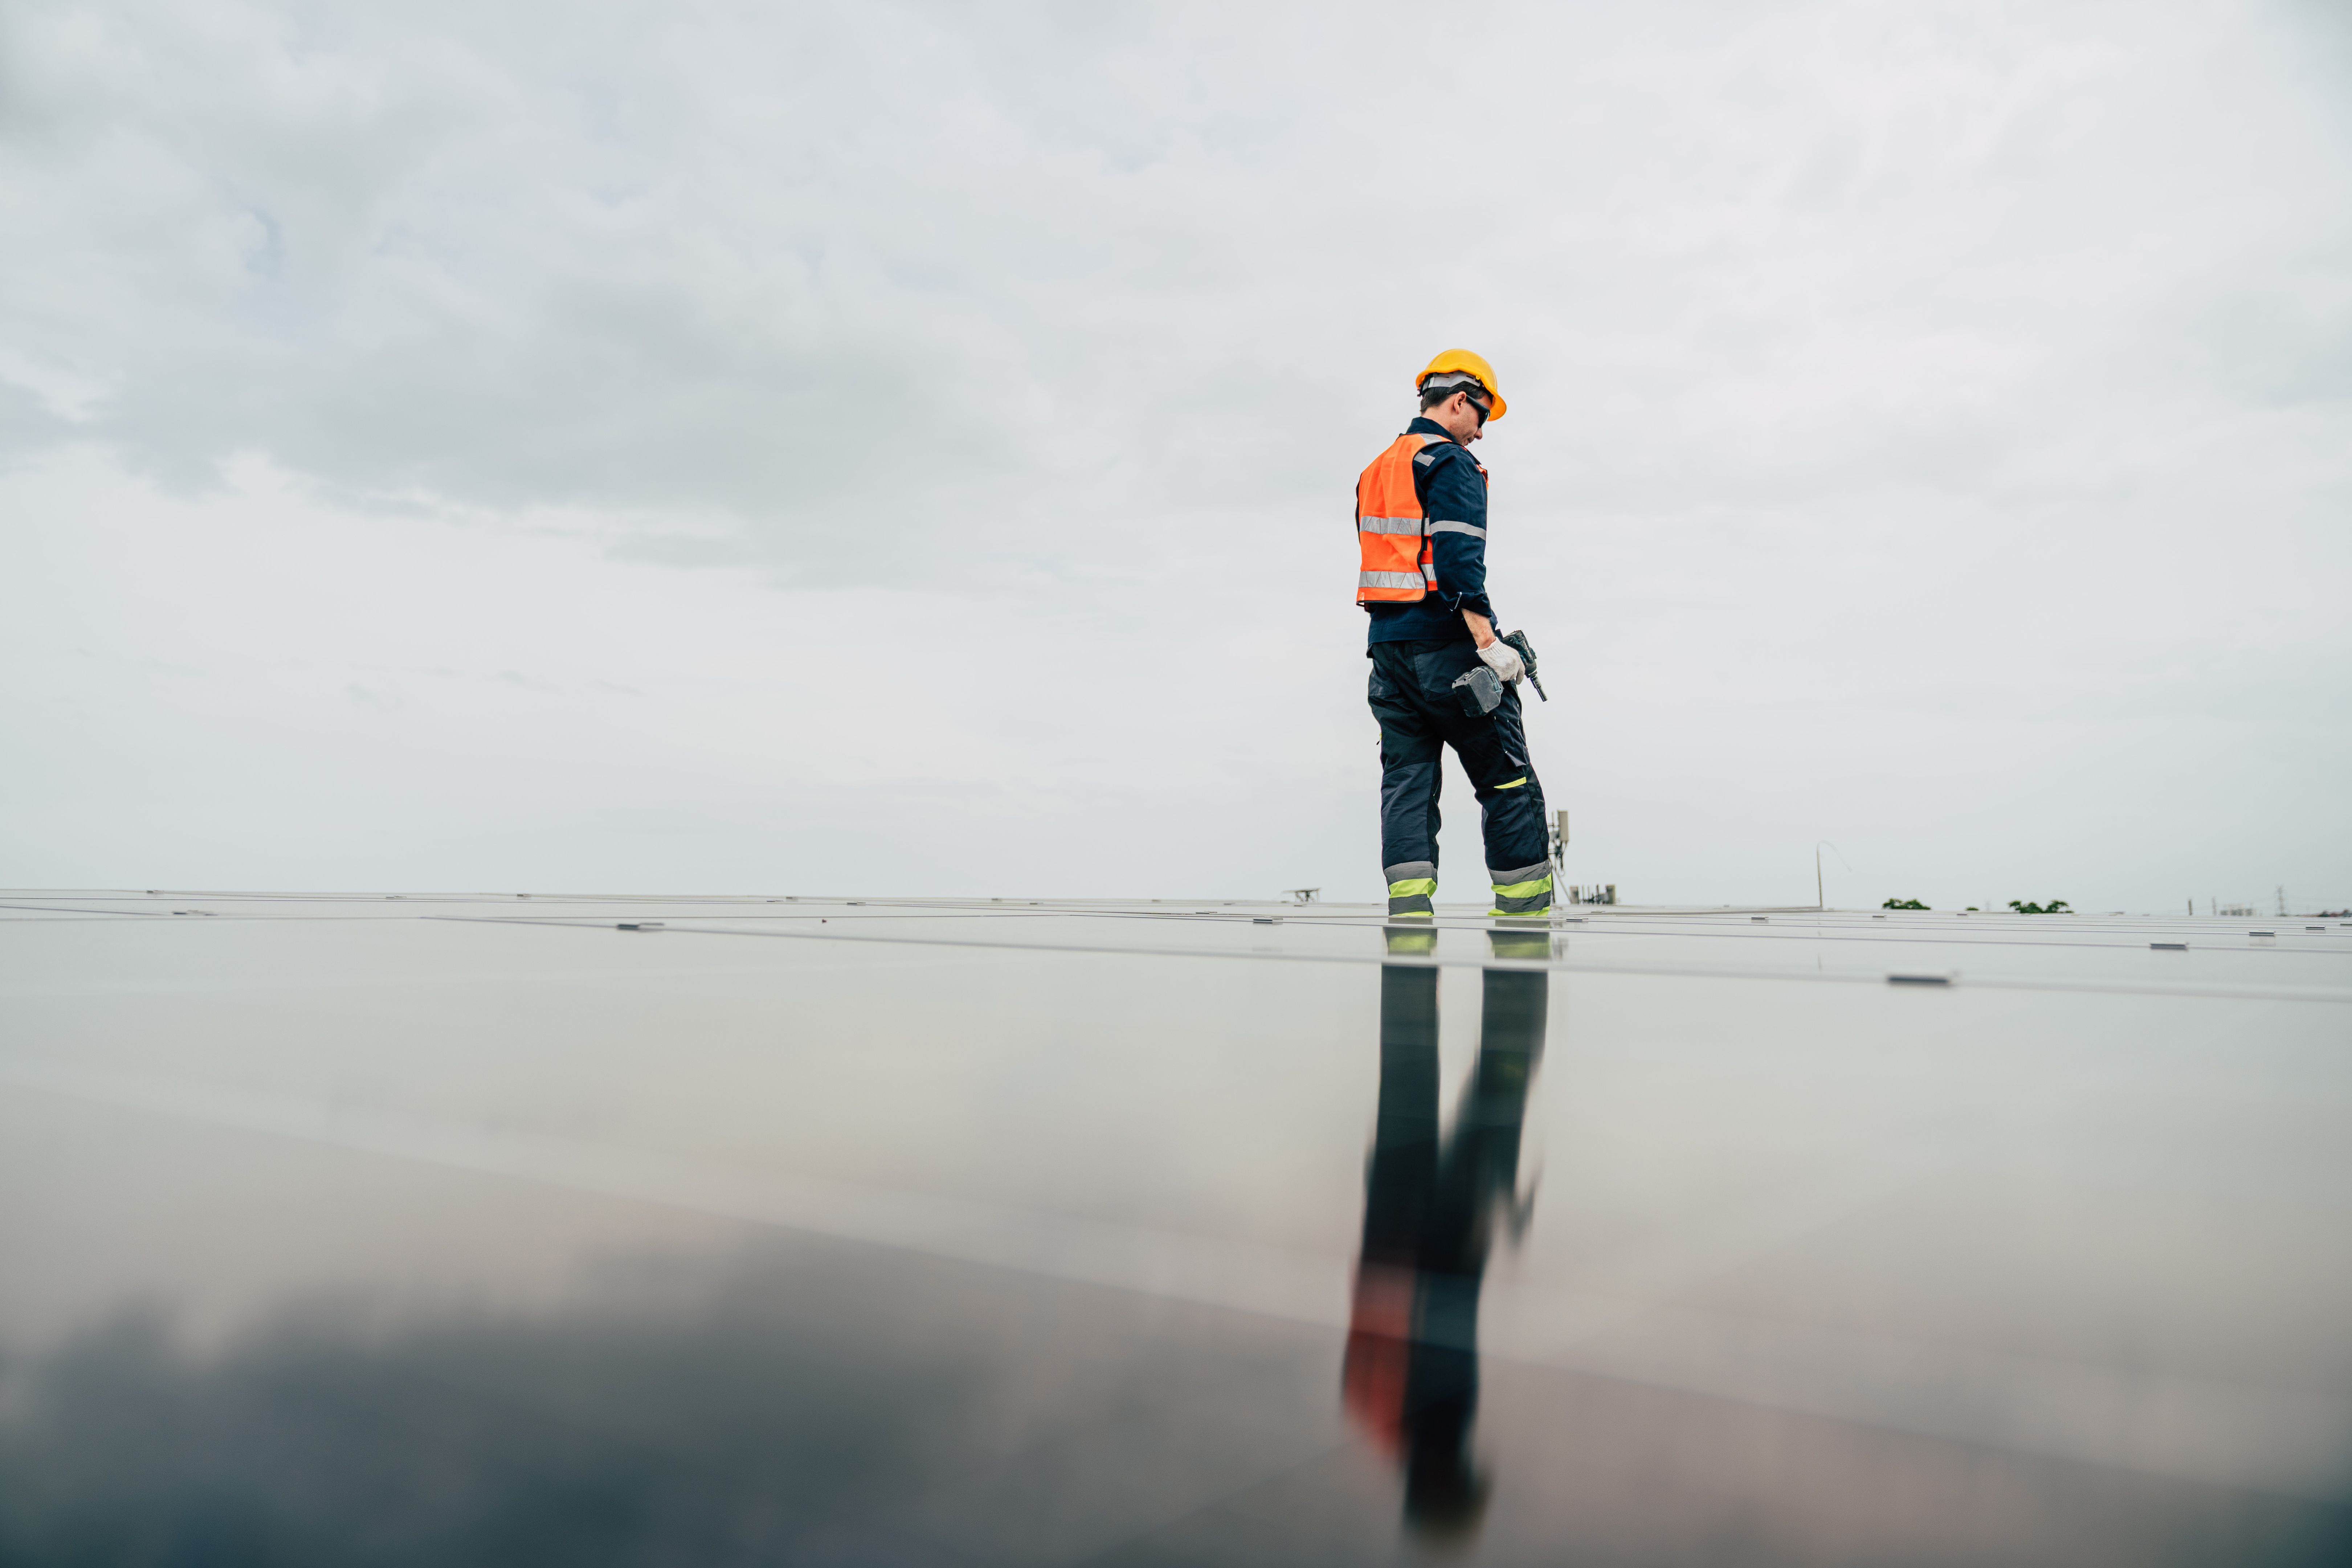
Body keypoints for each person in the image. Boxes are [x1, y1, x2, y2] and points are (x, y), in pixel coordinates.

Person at [1356, 351, 1552, 920]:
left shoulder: (1377, 469)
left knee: (1407, 782)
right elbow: (1458, 559)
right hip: (1448, 648)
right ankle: (1524, 912)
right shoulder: (1449, 461)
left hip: (1387, 652)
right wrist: (1489, 643)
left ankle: (1409, 912)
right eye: (1482, 416)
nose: (1482, 432)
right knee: (1506, 776)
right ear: (1460, 400)